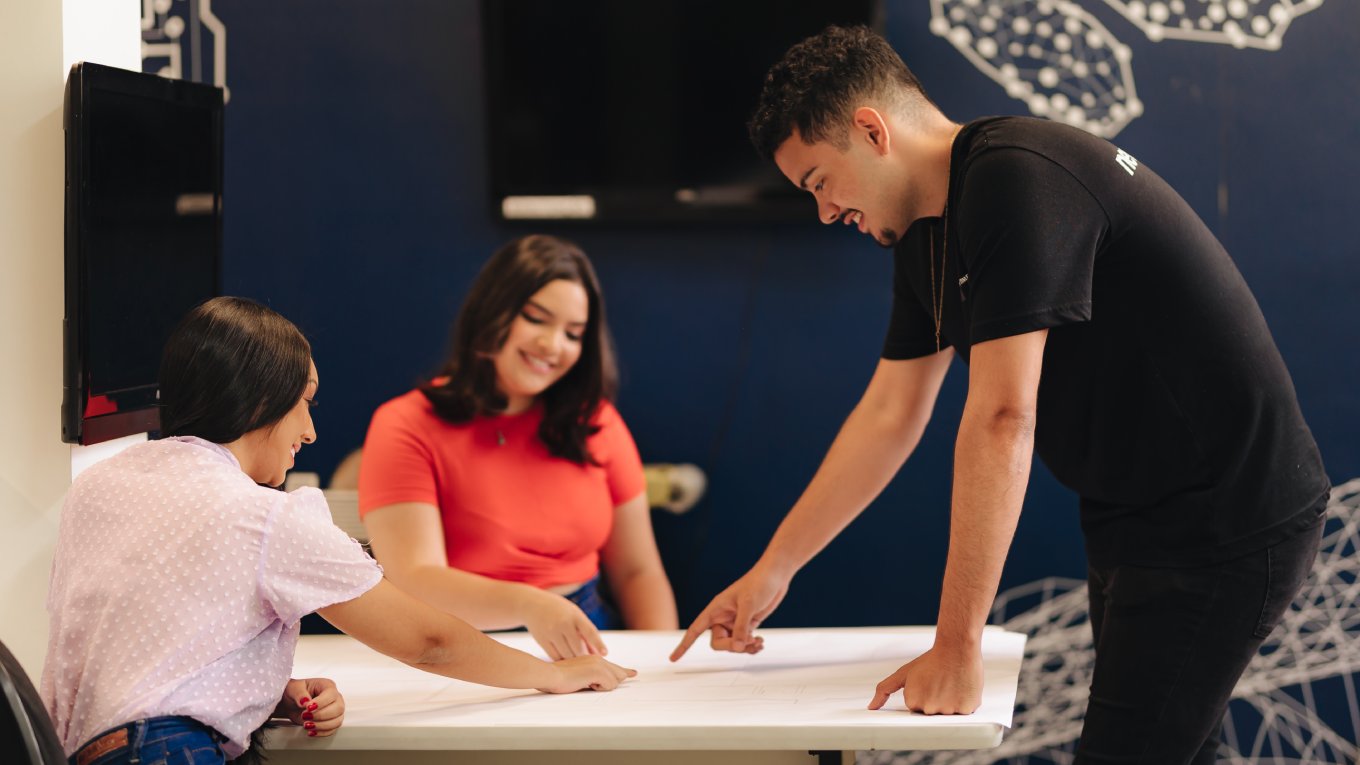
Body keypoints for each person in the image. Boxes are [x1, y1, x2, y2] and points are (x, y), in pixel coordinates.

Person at [670, 25, 1328, 765]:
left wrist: (958, 644)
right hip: (1134, 512)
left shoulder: (1016, 178)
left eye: (820, 182)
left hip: (1226, 514)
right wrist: (772, 571)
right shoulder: (925, 229)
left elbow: (1003, 416)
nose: (825, 212)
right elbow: (891, 414)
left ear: (870, 129)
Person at [42, 297, 634, 765]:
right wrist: (551, 675)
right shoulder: (269, 517)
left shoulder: (99, 486)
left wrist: (267, 690)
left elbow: (136, 653)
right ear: (259, 401)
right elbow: (426, 641)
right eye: (306, 403)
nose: (310, 431)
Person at [359, 234, 677, 661]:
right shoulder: (406, 424)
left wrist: (663, 663)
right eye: (536, 318)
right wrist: (531, 604)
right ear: (493, 311)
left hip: (589, 633)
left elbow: (639, 572)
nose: (552, 345)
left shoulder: (597, 421)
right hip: (461, 644)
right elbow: (415, 579)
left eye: (573, 333)